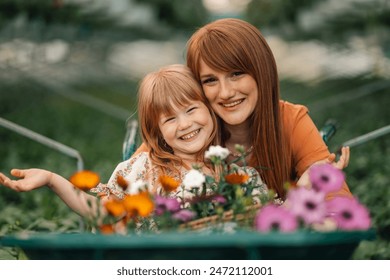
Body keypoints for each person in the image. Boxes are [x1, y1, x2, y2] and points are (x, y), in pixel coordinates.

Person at [0, 64, 266, 218]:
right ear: (157, 131)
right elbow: (103, 212)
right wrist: (51, 179)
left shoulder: (233, 171)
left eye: (191, 109)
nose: (185, 124)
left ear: (209, 109)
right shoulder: (146, 170)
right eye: (169, 119)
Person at [132, 18, 351, 202]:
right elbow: (120, 191)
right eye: (210, 80)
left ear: (261, 71)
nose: (226, 92)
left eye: (236, 73)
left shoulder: (290, 120)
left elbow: (339, 203)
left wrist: (314, 188)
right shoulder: (189, 130)